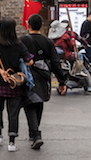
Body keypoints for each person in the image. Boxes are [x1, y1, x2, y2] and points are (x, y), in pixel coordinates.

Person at [0, 19, 34, 152]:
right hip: (15, 83)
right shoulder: (19, 45)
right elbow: (30, 61)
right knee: (13, 113)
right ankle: (12, 143)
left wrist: (1, 71)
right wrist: (20, 67)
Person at [21, 14, 67, 150]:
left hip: (27, 75)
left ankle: (35, 134)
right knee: (39, 102)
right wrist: (61, 81)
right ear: (41, 26)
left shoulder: (22, 40)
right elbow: (55, 62)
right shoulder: (48, 41)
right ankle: (34, 132)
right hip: (43, 76)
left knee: (30, 104)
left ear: (28, 25)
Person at [53, 22, 91, 95]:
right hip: (68, 55)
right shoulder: (68, 34)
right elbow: (74, 43)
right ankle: (90, 85)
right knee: (83, 67)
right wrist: (75, 41)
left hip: (59, 56)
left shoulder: (55, 34)